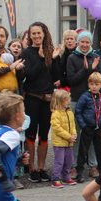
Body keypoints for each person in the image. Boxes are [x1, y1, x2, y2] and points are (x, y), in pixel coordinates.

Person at [18, 22, 61, 183]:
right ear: (30, 36)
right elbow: (29, 75)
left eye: (39, 33)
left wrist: (55, 59)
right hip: (32, 98)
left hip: (47, 99)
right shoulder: (27, 53)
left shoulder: (51, 51)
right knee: (30, 134)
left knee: (44, 135)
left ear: (44, 34)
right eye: (33, 34)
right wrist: (42, 60)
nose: (36, 36)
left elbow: (57, 77)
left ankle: (42, 168)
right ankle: (32, 168)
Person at [74, 72, 101, 183]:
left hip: (99, 128)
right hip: (87, 127)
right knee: (83, 150)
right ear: (89, 84)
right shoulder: (85, 97)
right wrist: (83, 125)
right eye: (92, 84)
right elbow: (78, 111)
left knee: (100, 150)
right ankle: (79, 172)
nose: (94, 86)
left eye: (97, 84)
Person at [49, 90, 77, 187]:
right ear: (60, 101)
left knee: (69, 160)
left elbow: (73, 125)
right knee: (59, 161)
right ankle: (55, 179)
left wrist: (74, 134)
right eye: (66, 100)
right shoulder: (55, 113)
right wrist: (69, 137)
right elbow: (57, 128)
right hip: (59, 143)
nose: (68, 102)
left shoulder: (69, 112)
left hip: (69, 142)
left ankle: (66, 177)